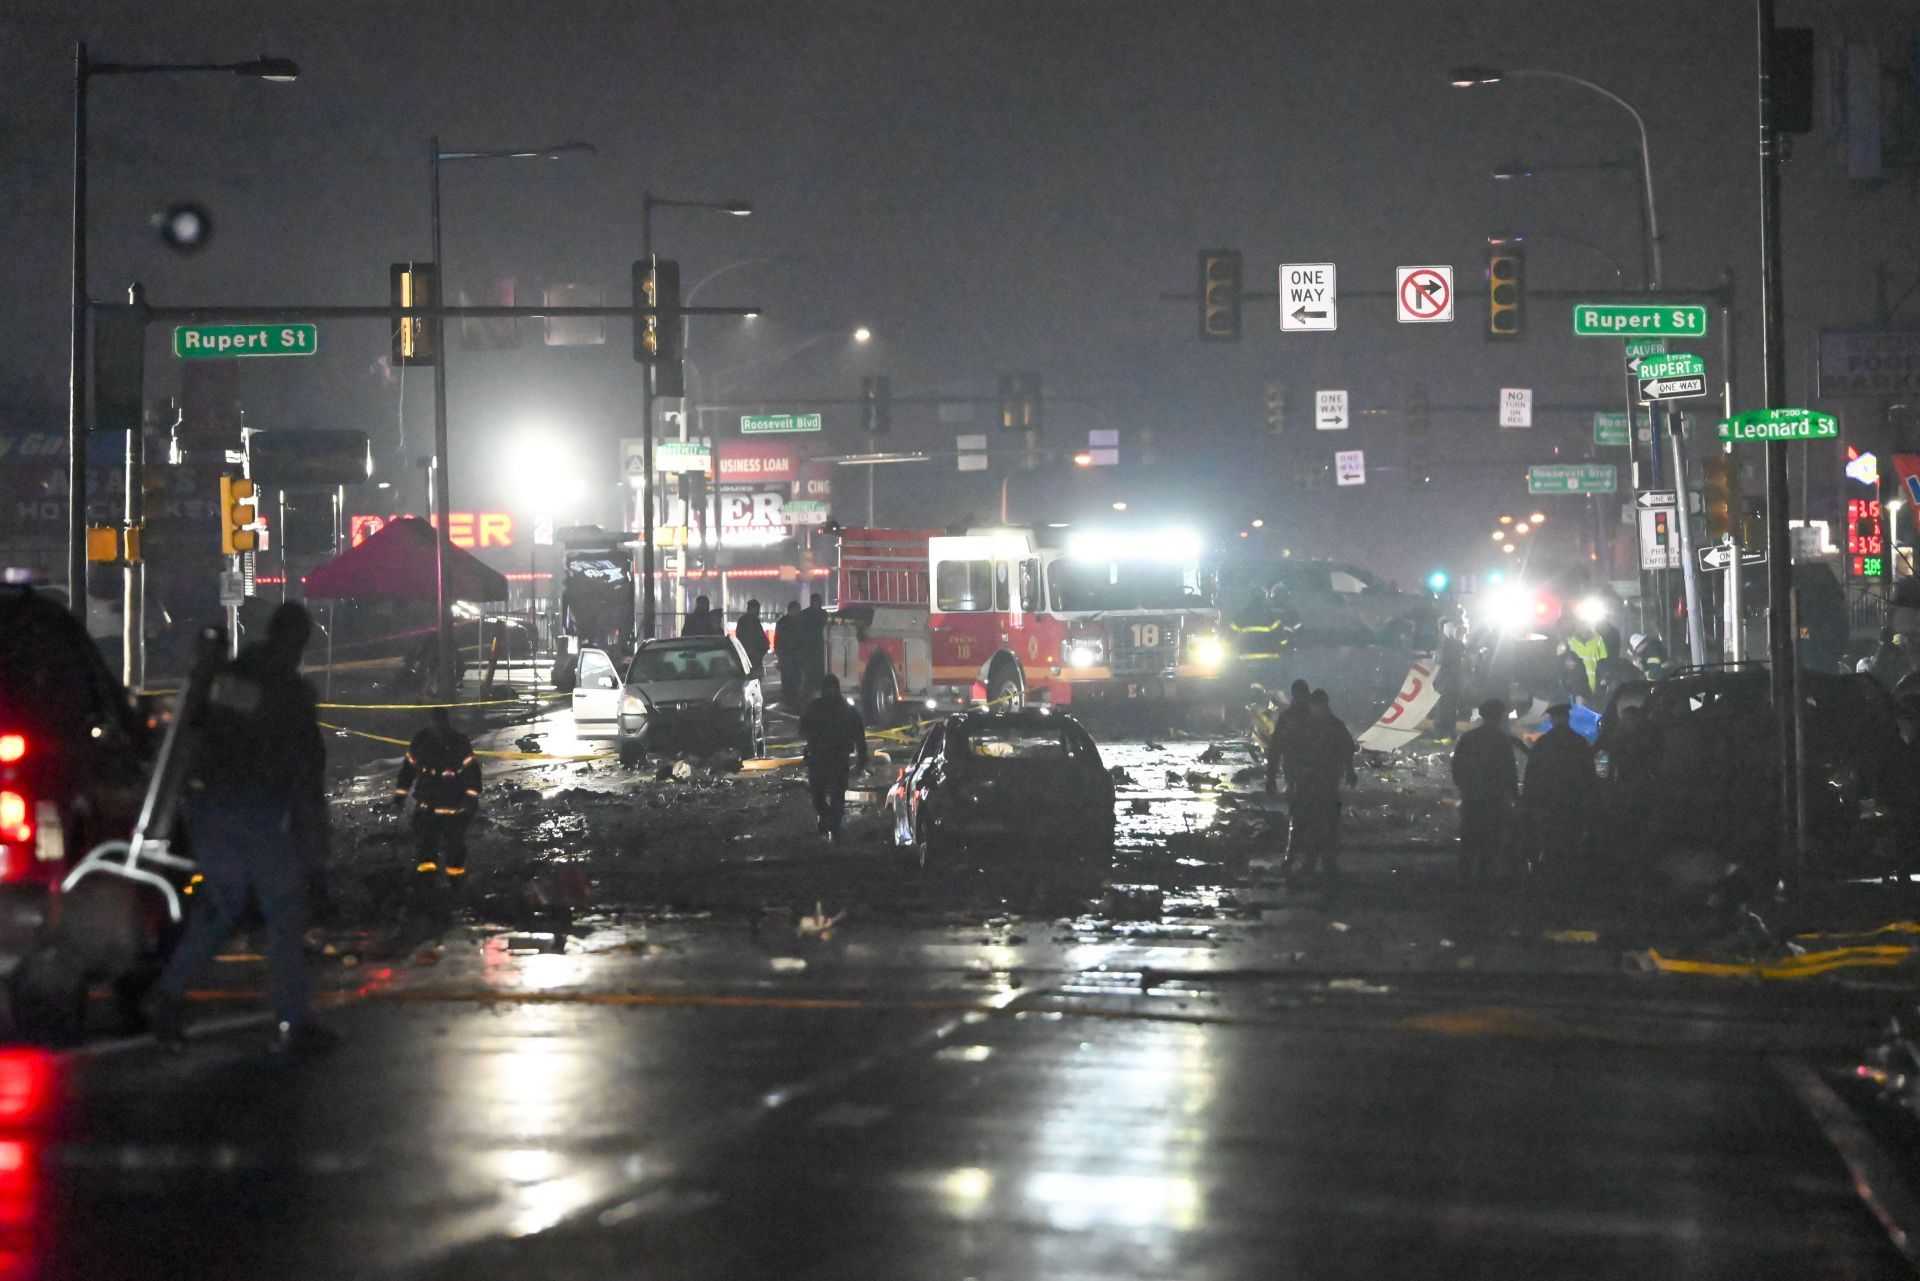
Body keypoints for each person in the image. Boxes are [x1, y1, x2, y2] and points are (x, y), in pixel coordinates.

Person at [146, 603, 337, 1056]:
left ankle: (167, 994)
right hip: (257, 810)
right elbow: (305, 777)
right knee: (284, 912)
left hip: (209, 805)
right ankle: (293, 1021)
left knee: (222, 906)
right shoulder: (291, 693)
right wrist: (316, 854)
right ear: (298, 642)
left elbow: (197, 734)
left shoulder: (227, 679)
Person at [392, 707, 482, 879]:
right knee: (427, 846)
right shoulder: (422, 740)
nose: (438, 725)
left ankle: (454, 882)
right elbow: (408, 770)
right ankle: (429, 883)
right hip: (431, 804)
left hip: (450, 805)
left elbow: (472, 772)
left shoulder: (457, 741)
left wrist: (471, 798)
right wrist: (400, 796)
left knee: (452, 847)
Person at [1284, 690, 1357, 877]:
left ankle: (1327, 865)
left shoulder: (1334, 726)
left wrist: (1350, 771)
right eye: (1315, 706)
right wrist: (1291, 779)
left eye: (1320, 706)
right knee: (1302, 825)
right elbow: (1291, 752)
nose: (1318, 710)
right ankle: (1295, 863)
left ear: (1325, 705)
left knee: (1328, 827)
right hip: (1307, 784)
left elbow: (1347, 750)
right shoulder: (1303, 726)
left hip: (1327, 784)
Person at [1450, 697, 1521, 884]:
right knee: (1491, 838)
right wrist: (1515, 797)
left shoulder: (1469, 738)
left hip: (1473, 796)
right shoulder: (1502, 740)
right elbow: (1510, 771)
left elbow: (1457, 767)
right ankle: (1484, 878)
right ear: (1499, 717)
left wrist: (1465, 788)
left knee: (1469, 837)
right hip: (1494, 797)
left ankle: (1464, 879)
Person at [1522, 703, 1597, 879]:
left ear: (1553, 720)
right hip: (1573, 802)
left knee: (1549, 842)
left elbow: (1532, 773)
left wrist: (1527, 801)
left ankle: (1550, 880)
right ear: (1567, 719)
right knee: (1570, 842)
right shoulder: (1579, 742)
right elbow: (1589, 774)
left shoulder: (1544, 743)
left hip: (1548, 802)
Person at [799, 674, 869, 841]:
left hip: (833, 757)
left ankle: (833, 825)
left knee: (833, 794)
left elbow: (858, 735)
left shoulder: (837, 708)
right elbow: (803, 728)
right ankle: (829, 821)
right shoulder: (827, 708)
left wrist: (862, 757)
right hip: (825, 757)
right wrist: (861, 757)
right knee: (822, 794)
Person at [1263, 679, 1313, 797]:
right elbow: (1275, 747)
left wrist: (1271, 778)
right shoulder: (1313, 716)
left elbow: (1275, 747)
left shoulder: (1288, 717)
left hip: (1303, 772)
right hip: (1300, 772)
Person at [791, 592, 830, 704]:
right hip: (818, 651)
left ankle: (806, 701)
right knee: (816, 678)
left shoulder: (803, 615)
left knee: (808, 679)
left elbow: (798, 634)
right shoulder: (822, 615)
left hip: (807, 652)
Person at [1560, 622, 1608, 702]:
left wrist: (1604, 678)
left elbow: (1604, 660)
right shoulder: (1570, 641)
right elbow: (1563, 663)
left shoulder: (1598, 639)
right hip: (1577, 686)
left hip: (1595, 684)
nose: (1583, 628)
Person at [773, 601, 802, 705]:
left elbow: (777, 641)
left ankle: (789, 702)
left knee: (788, 682)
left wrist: (779, 655)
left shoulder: (782, 622)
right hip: (792, 658)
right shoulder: (798, 622)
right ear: (793, 609)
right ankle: (792, 702)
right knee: (793, 681)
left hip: (787, 658)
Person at [734, 599, 770, 680]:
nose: (758, 612)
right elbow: (759, 638)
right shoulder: (753, 621)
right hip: (754, 656)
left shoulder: (742, 620)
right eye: (757, 609)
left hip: (746, 655)